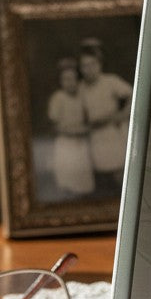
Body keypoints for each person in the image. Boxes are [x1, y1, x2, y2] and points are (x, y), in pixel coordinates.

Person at [77, 38, 132, 194]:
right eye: (84, 66)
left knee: (120, 175)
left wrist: (122, 114)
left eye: (92, 64)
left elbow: (132, 95)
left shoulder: (110, 81)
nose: (89, 69)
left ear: (100, 64)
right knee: (100, 178)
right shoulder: (80, 88)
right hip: (94, 136)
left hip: (113, 133)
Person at [47, 57, 95, 197]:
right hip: (65, 144)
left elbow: (88, 118)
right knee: (67, 181)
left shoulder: (82, 96)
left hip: (81, 144)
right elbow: (54, 127)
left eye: (73, 79)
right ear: (61, 81)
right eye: (66, 79)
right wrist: (72, 132)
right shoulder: (58, 98)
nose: (70, 83)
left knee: (82, 182)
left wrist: (85, 130)